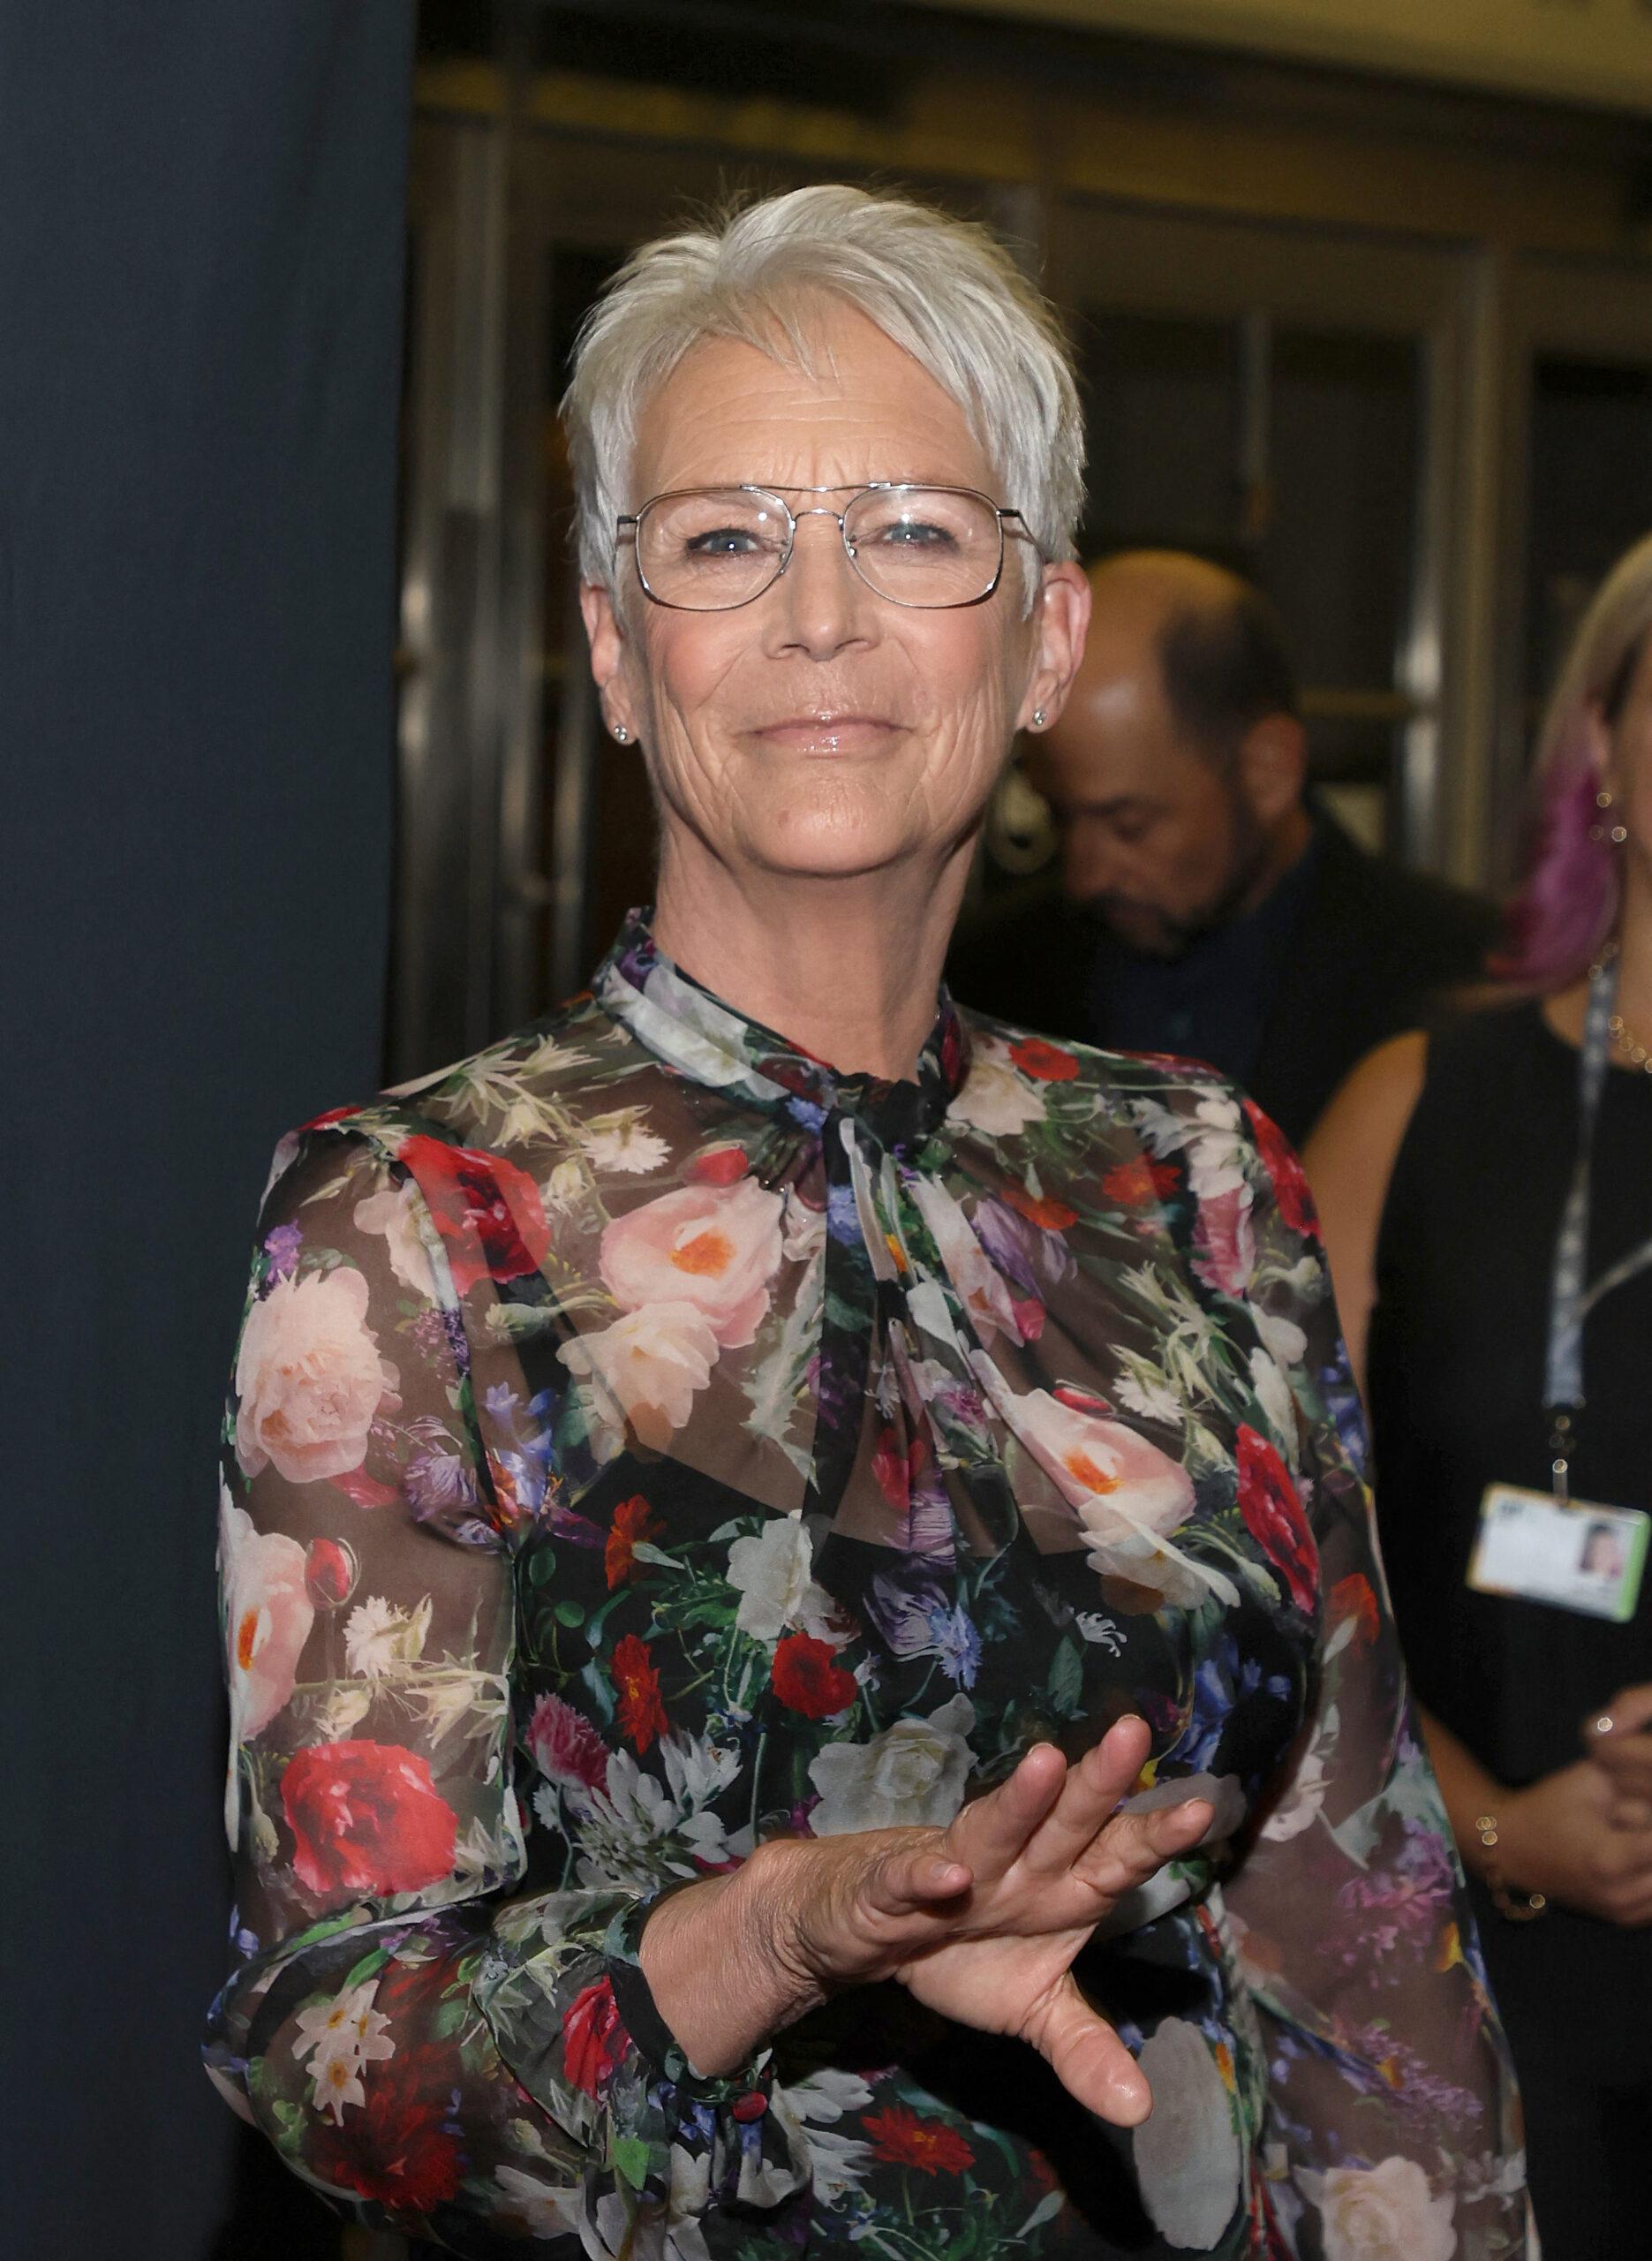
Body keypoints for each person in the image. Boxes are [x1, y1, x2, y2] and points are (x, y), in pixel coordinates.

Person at [204, 185, 1528, 2259]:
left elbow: (1360, 1935)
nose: (819, 614)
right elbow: (333, 2044)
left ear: (1042, 640)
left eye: (910, 530)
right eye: (725, 539)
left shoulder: (1193, 1174)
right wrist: (770, 1929)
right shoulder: (419, 1222)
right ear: (619, 652)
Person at [1306, 530, 1652, 2258]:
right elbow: (1275, 1570)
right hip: (1472, 1992)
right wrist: (1504, 1818)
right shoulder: (1416, 1104)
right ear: (1599, 745)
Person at [947, 553, 1498, 1145]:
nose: (1085, 873)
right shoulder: (980, 977)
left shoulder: (1462, 984)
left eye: (1129, 824)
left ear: (1266, 771)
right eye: (1059, 815)